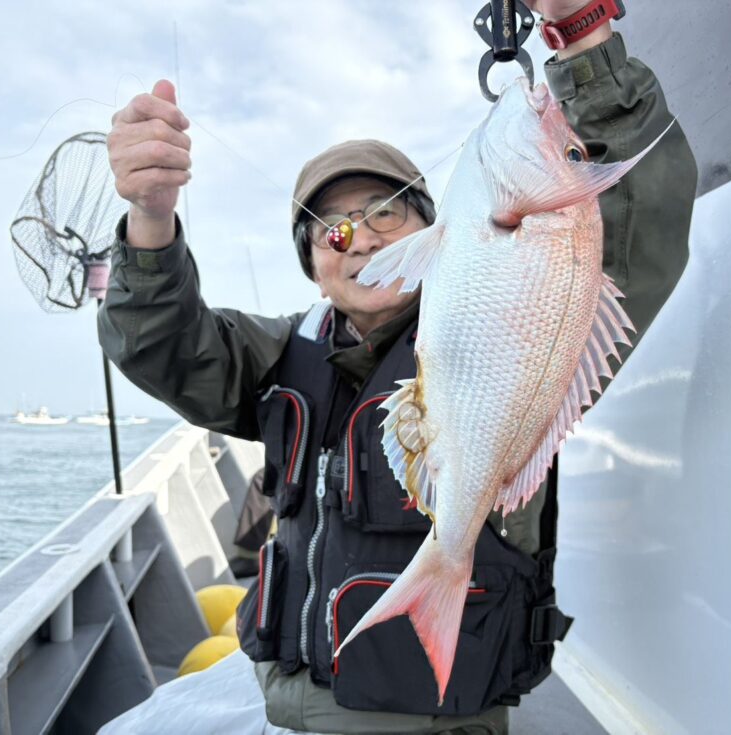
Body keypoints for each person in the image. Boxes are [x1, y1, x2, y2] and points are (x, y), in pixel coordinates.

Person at [99, 1, 697, 732]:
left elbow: (635, 218)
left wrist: (581, 31)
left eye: (386, 212)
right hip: (288, 709)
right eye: (332, 231)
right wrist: (151, 217)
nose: (360, 239)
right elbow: (163, 344)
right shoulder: (277, 354)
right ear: (313, 268)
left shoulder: (510, 307)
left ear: (434, 230)